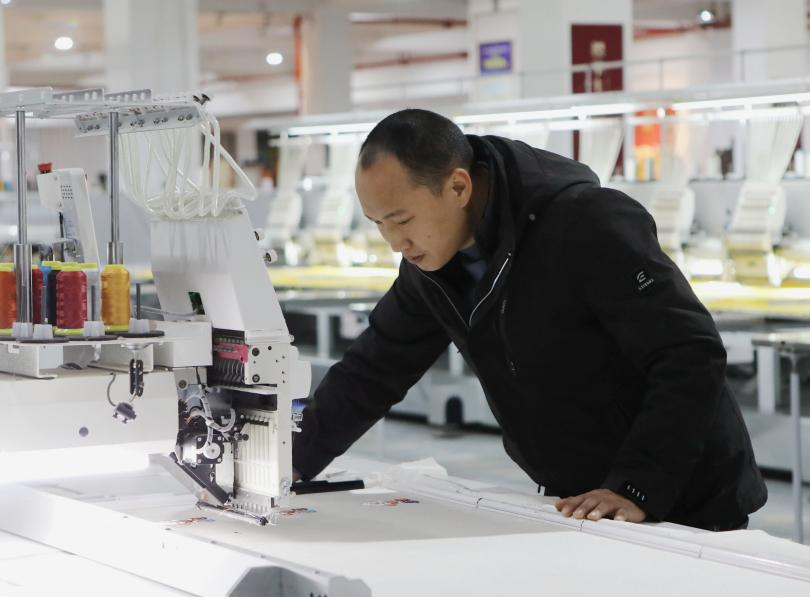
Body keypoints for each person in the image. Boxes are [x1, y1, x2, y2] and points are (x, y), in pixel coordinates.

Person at [291, 109, 767, 531]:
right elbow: (373, 369)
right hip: (581, 502)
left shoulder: (584, 222)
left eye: (402, 220)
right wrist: (289, 463)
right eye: (379, 224)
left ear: (458, 187)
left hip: (682, 499)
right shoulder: (431, 268)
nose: (395, 242)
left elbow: (689, 351)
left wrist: (638, 485)